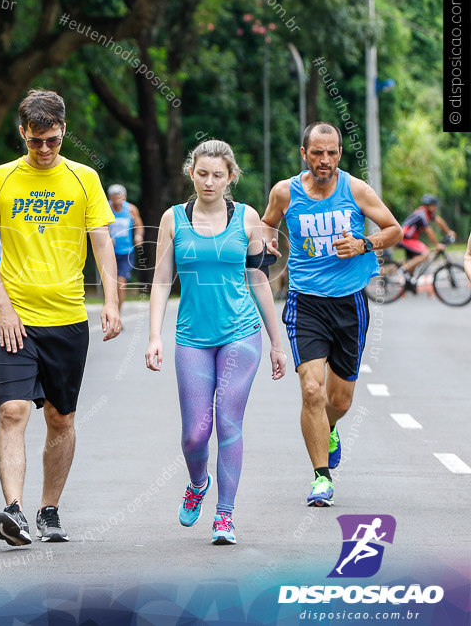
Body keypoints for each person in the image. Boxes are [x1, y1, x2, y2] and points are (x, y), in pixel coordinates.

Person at [0, 89, 121, 546]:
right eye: (35, 141)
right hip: (16, 319)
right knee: (12, 410)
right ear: (23, 133)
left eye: (52, 140)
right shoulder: (0, 179)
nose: (44, 150)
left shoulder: (84, 179)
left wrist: (111, 300)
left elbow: (101, 243)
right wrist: (5, 308)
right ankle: (13, 510)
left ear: (63, 132)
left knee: (60, 418)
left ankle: (48, 510)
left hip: (68, 319)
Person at [145, 140, 287, 545]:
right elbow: (159, 281)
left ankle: (224, 516)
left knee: (227, 422)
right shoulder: (173, 219)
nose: (210, 182)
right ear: (192, 173)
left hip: (241, 333)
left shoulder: (247, 218)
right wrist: (154, 336)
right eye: (202, 173)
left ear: (231, 177)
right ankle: (197, 482)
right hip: (192, 336)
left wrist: (276, 343)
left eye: (218, 175)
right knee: (194, 433)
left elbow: (260, 279)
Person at [262, 122, 401, 507]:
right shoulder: (284, 192)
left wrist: (363, 243)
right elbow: (266, 223)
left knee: (337, 401)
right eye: (318, 153)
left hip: (350, 303)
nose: (325, 160)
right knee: (311, 390)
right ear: (303, 154)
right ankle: (321, 478)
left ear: (340, 153)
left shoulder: (356, 190)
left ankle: (332, 427)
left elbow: (394, 229)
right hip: (305, 302)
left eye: (333, 153)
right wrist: (268, 243)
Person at [398, 194, 457, 278]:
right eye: (435, 206)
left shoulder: (426, 213)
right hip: (405, 238)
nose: (436, 208)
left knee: (413, 265)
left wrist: (449, 231)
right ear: (430, 206)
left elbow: (439, 221)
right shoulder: (421, 214)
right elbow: (429, 231)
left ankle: (408, 284)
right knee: (425, 253)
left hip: (410, 239)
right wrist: (437, 244)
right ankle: (403, 269)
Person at [107, 184, 144, 309]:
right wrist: (107, 237)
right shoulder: (106, 208)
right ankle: (110, 308)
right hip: (109, 253)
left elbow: (139, 226)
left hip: (126, 252)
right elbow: (97, 226)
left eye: (119, 197)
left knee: (120, 283)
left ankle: (117, 312)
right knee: (110, 285)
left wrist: (138, 236)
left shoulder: (131, 209)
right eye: (114, 198)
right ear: (110, 198)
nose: (117, 201)